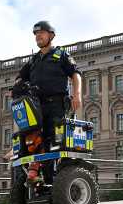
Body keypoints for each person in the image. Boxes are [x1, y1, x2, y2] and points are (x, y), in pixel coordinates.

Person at [17, 21, 82, 184]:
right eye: (35, 34)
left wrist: (77, 94)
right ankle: (33, 172)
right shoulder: (33, 60)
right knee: (31, 139)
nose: (38, 36)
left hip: (56, 105)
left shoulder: (61, 55)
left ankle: (51, 176)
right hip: (36, 106)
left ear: (50, 35)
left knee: (53, 141)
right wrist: (18, 84)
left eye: (41, 33)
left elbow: (75, 74)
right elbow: (20, 77)